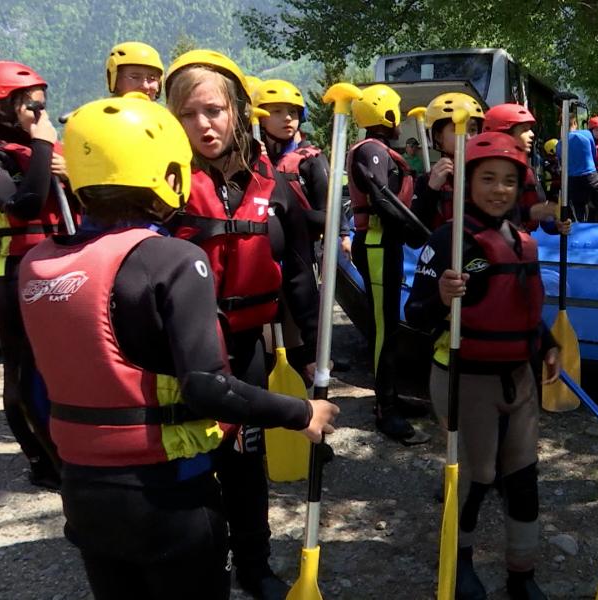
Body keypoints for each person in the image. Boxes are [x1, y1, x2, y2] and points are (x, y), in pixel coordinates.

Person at [18, 94, 338, 600]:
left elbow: (31, 390)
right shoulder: (171, 259)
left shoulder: (37, 265)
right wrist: (302, 413)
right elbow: (207, 387)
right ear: (169, 174)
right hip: (168, 499)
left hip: (84, 493)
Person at [165, 49, 321, 599]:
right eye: (187, 114)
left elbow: (299, 274)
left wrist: (310, 355)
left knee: (245, 465)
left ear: (236, 109)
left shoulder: (274, 186)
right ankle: (198, 563)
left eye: (212, 110)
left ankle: (255, 566)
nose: (202, 125)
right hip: (179, 354)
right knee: (189, 464)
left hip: (248, 345)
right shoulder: (165, 186)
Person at [405, 132, 561, 600]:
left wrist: (548, 343)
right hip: (463, 376)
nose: (499, 189)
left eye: (509, 181)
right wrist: (442, 297)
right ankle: (460, 563)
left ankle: (521, 573)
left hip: (518, 376)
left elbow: (523, 308)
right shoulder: (449, 240)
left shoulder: (520, 239)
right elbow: (415, 315)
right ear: (469, 183)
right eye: (488, 179)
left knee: (523, 476)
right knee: (477, 476)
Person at [0, 60, 79, 490]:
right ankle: (44, 460)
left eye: (40, 105)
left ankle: (70, 448)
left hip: (58, 262)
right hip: (13, 273)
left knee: (61, 366)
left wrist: (73, 175)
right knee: (24, 371)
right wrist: (44, 147)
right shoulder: (4, 152)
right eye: (29, 105)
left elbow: (81, 204)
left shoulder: (45, 146)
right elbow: (25, 203)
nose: (38, 112)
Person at [349, 83, 432, 443]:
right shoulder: (370, 150)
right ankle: (385, 409)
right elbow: (382, 199)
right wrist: (419, 233)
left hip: (388, 244)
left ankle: (392, 396)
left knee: (390, 328)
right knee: (384, 329)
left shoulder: (380, 150)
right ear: (385, 114)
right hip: (378, 244)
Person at [253, 78, 350, 265]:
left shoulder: (311, 161)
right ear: (261, 119)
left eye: (292, 112)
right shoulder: (250, 160)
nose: (288, 117)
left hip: (302, 256)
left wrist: (280, 212)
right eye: (277, 111)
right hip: (261, 255)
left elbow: (329, 217)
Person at [481, 103, 564, 232]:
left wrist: (555, 225)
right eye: (524, 130)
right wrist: (530, 213)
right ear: (504, 135)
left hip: (520, 239)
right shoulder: (482, 172)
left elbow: (537, 210)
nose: (531, 134)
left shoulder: (526, 170)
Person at [411, 92, 485, 230]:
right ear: (438, 136)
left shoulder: (487, 175)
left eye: (473, 129)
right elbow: (413, 238)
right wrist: (431, 190)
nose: (468, 137)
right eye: (458, 128)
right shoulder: (427, 181)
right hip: (444, 249)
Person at [560, 113, 598, 223]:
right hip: (591, 177)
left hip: (573, 181)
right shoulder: (586, 134)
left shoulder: (559, 144)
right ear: (575, 123)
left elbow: (562, 165)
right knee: (597, 209)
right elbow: (594, 155)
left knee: (578, 211)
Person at [541, 138, 561, 203]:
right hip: (551, 187)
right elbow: (556, 171)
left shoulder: (555, 160)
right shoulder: (547, 161)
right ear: (551, 150)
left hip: (557, 185)